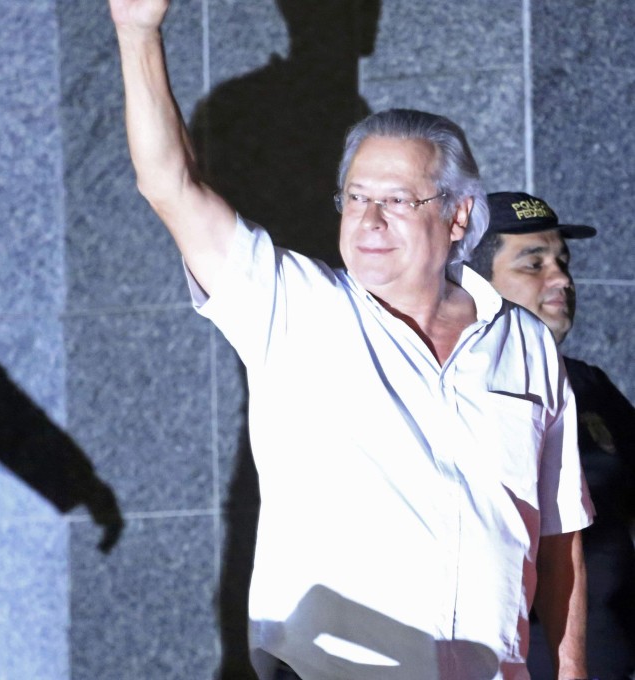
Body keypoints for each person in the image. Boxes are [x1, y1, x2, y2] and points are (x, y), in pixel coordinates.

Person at [108, 1, 593, 678]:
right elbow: (170, 184)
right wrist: (137, 32)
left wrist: (570, 671)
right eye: (355, 196)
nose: (366, 218)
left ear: (458, 217)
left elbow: (557, 534)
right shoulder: (294, 308)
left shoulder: (524, 343)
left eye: (396, 200)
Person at [469, 191, 635, 680]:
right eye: (533, 264)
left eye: (562, 261)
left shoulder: (588, 384)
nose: (561, 278)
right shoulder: (453, 395)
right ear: (477, 283)